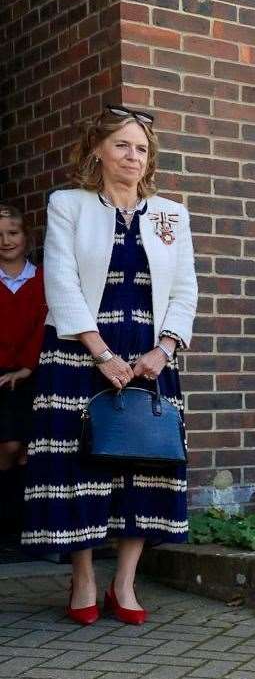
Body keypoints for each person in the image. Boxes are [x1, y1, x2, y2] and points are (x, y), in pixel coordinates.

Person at [22, 108, 197, 625]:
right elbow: (61, 280)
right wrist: (101, 353)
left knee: (142, 464)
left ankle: (125, 582)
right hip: (80, 351)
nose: (133, 157)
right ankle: (83, 578)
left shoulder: (171, 214)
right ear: (97, 149)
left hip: (148, 357)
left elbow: (185, 288)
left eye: (141, 149)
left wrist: (162, 350)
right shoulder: (68, 205)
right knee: (78, 466)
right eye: (122, 146)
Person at [0, 204, 44, 542]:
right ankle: (7, 523)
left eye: (12, 233)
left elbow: (47, 325)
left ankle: (27, 530)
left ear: (26, 237)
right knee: (9, 446)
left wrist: (29, 365)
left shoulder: (41, 279)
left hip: (37, 372)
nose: (5, 240)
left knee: (31, 449)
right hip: (1, 376)